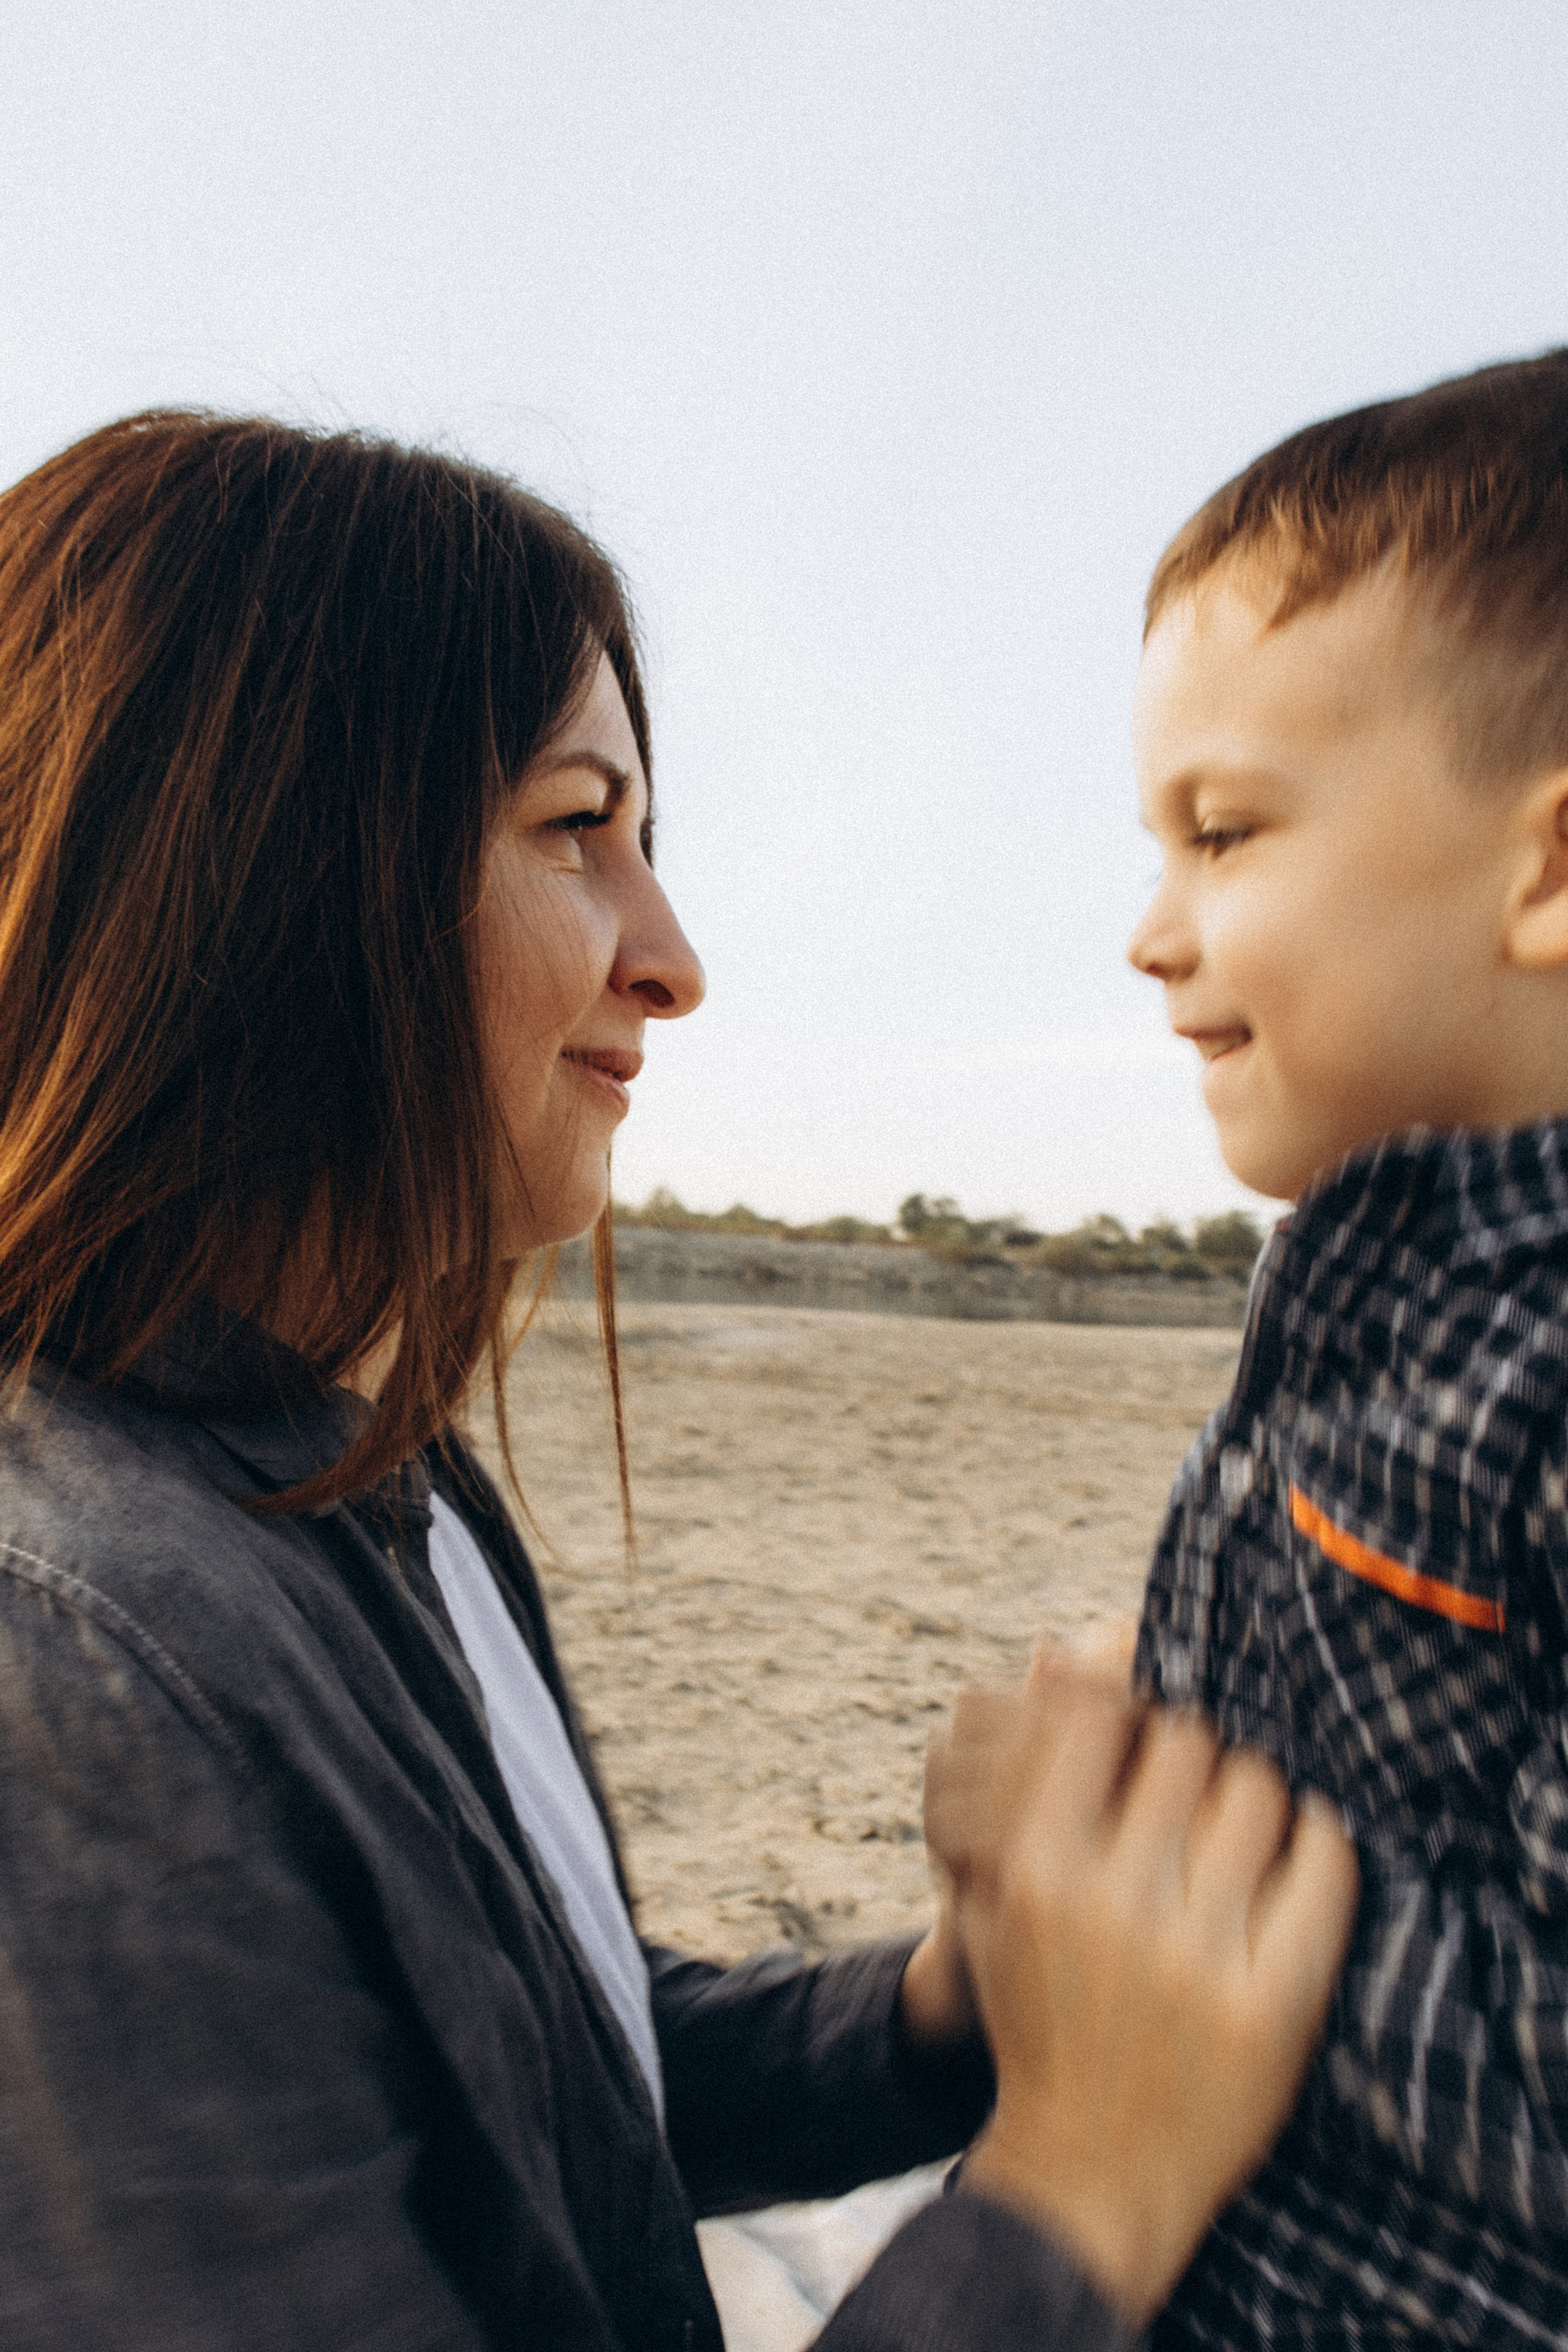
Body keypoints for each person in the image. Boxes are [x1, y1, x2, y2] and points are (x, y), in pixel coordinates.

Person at [0, 410, 1354, 2350]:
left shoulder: (380, 1481)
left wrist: (947, 2008)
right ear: (267, 871)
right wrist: (1087, 2194)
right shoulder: (66, 1661)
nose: (675, 957)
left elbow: (554, 2073)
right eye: (579, 830)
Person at [1126, 350, 1568, 2348]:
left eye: (1222, 835)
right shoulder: (1365, 1269)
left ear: (1547, 867)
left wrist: (1148, 1875)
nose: (1152, 928)